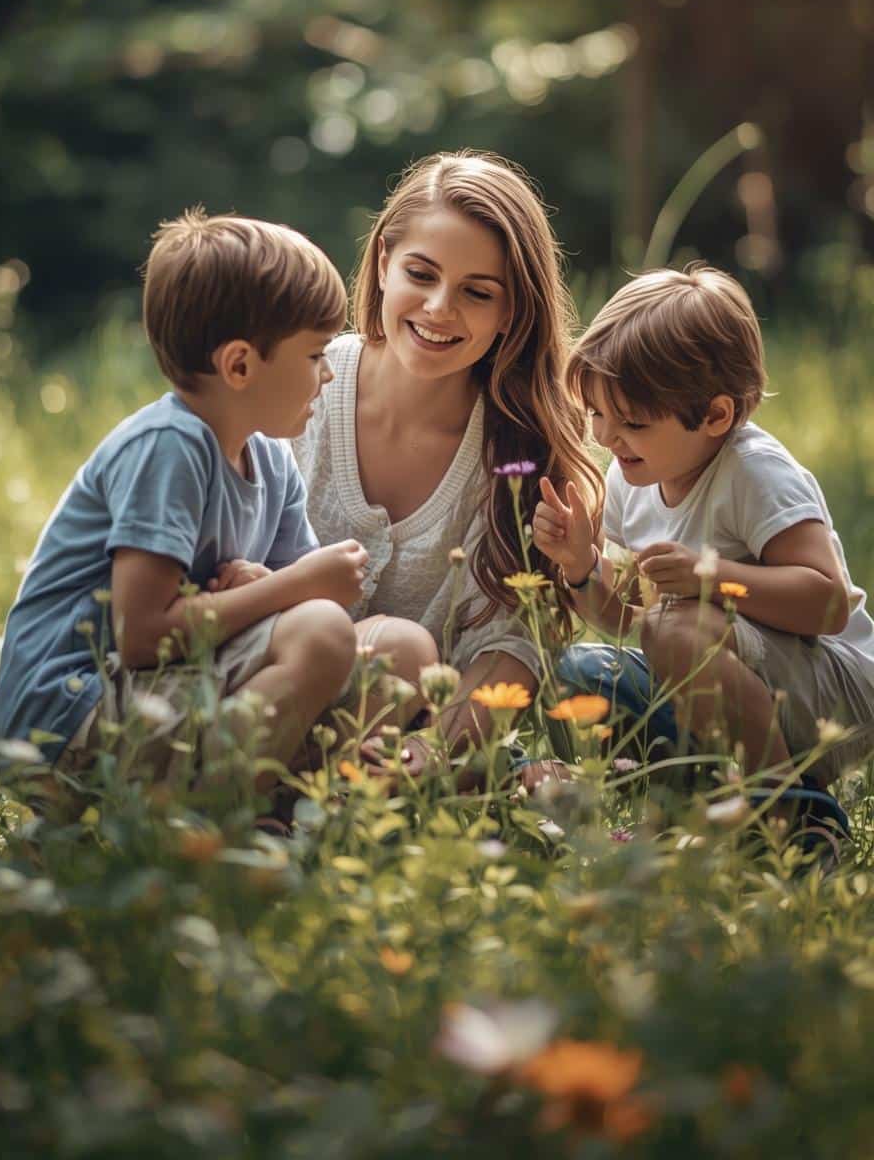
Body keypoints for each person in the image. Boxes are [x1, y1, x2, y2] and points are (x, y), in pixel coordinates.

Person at [0, 208, 381, 791]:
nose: (326, 374)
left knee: (400, 648)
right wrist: (290, 587)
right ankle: (201, 838)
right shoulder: (169, 447)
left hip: (167, 689)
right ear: (240, 364)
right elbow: (145, 636)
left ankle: (281, 809)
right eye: (314, 355)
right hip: (69, 721)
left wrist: (269, 586)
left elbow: (291, 613)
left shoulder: (271, 459)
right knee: (325, 630)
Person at [291, 150, 604, 778]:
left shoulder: (518, 451)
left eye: (477, 292)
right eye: (421, 273)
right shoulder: (300, 384)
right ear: (383, 263)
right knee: (399, 650)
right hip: (263, 688)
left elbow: (512, 642)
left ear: (511, 311)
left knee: (407, 667)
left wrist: (437, 750)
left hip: (404, 739)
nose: (439, 308)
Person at [532, 265, 874, 788]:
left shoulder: (755, 472)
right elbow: (628, 621)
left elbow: (828, 604)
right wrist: (582, 567)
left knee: (676, 627)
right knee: (575, 676)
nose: (607, 436)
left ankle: (790, 812)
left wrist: (707, 577)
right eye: (597, 413)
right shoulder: (632, 476)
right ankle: (704, 799)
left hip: (830, 694)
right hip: (710, 675)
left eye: (634, 423)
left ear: (716, 416)